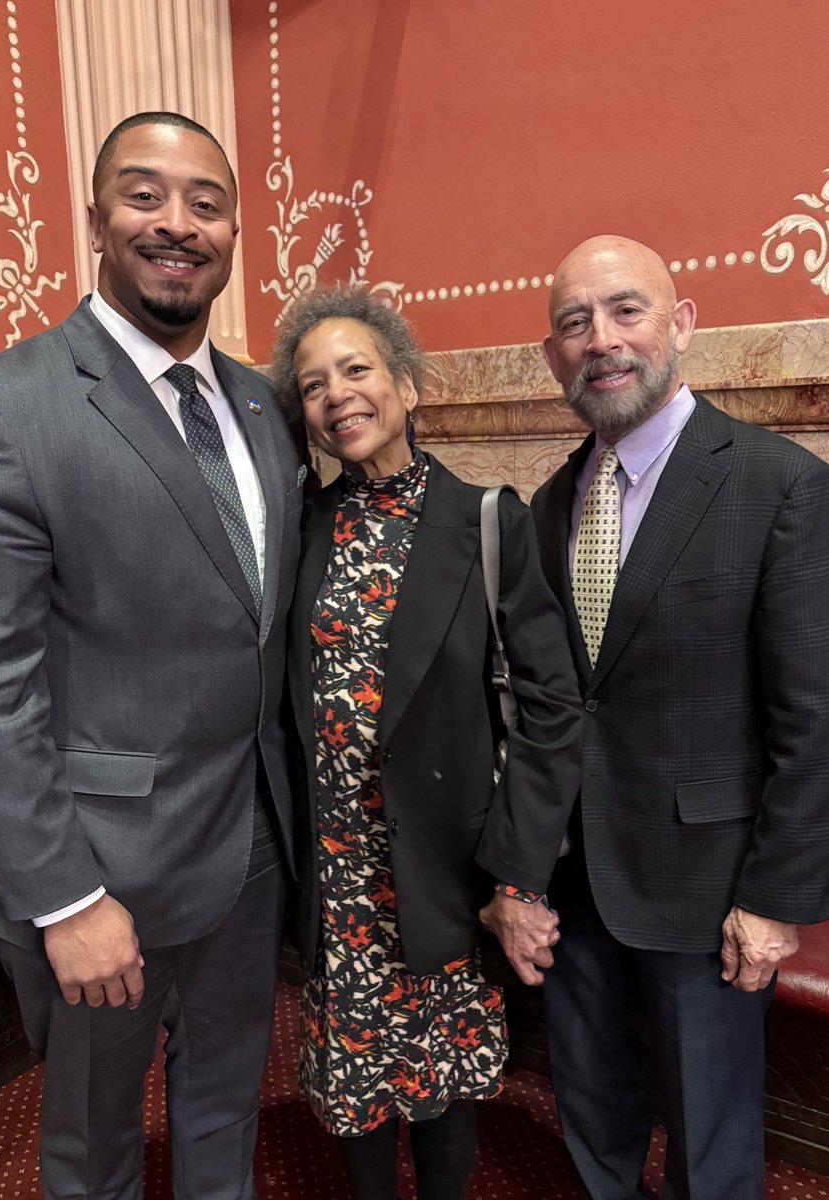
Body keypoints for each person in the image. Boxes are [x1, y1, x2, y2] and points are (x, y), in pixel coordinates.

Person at [0, 112, 304, 1200]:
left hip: (249, 854)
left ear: (234, 230)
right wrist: (63, 900)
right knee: (93, 1156)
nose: (177, 223)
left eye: (206, 202)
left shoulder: (260, 406)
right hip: (99, 879)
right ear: (95, 216)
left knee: (224, 1113)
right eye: (145, 195)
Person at [530, 233, 829, 1200]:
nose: (601, 340)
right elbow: (555, 705)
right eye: (574, 322)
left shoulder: (776, 486)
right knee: (593, 1120)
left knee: (710, 1148)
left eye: (626, 310)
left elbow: (812, 719)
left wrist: (778, 900)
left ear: (682, 325)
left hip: (706, 895)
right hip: (572, 888)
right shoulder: (548, 504)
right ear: (551, 356)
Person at [270, 285, 583, 1200]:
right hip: (338, 871)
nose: (337, 395)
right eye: (314, 384)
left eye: (357, 370)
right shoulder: (302, 531)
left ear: (407, 385)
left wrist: (518, 875)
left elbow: (551, 708)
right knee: (357, 1085)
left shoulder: (487, 519)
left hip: (444, 860)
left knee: (442, 1082)